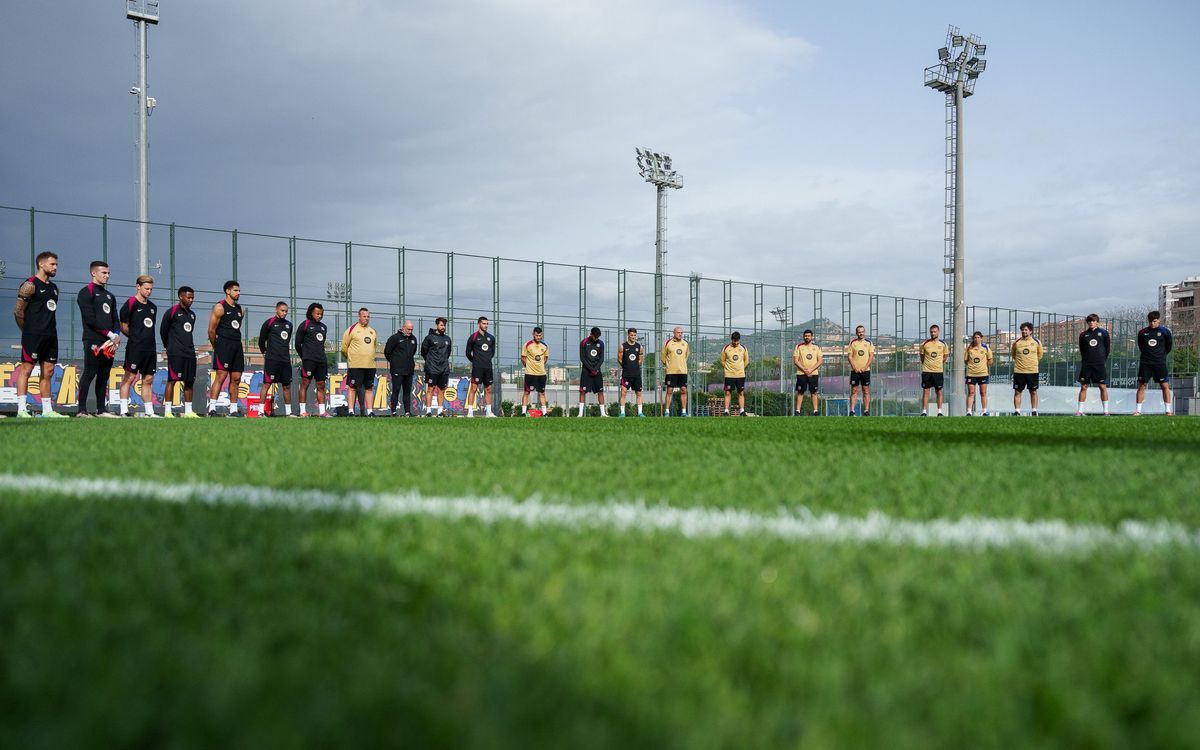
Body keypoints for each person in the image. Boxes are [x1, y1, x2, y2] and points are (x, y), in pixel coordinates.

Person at [13, 251, 67, 418]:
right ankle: (22, 409)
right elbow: (18, 311)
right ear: (41, 264)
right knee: (27, 370)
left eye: (56, 264)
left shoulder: (54, 288)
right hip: (33, 335)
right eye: (52, 264)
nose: (55, 267)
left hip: (51, 335)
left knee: (48, 372)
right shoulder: (30, 285)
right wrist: (28, 330)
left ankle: (47, 411)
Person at [76, 260, 121, 418]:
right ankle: (82, 410)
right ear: (93, 273)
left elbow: (115, 318)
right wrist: (110, 334)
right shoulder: (85, 292)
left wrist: (117, 335)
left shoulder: (110, 296)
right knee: (89, 372)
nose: (107, 276)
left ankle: (101, 410)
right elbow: (89, 319)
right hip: (93, 340)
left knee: (104, 374)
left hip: (109, 342)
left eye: (108, 273)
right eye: (104, 273)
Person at [118, 275, 160, 417]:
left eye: (151, 289)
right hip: (135, 348)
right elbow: (124, 326)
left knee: (148, 379)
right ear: (138, 286)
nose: (149, 291)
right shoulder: (130, 303)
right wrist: (136, 338)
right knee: (129, 378)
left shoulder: (153, 307)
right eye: (146, 288)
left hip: (150, 349)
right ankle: (124, 410)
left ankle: (150, 412)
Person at [207, 280, 246, 417]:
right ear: (228, 291)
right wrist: (216, 346)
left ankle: (233, 409)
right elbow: (211, 330)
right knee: (221, 376)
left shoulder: (240, 309)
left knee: (236, 378)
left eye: (239, 290)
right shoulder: (219, 307)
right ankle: (212, 409)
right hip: (223, 345)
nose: (238, 293)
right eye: (235, 290)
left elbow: (236, 328)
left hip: (236, 345)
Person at [160, 286, 200, 418]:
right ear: (181, 297)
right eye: (188, 297)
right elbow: (163, 331)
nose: (191, 300)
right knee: (172, 380)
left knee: (189, 382)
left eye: (192, 297)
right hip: (175, 352)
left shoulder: (192, 315)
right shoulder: (171, 312)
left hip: (189, 352)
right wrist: (170, 347)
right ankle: (167, 411)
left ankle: (188, 411)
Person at [258, 301, 297, 417]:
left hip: (285, 360)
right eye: (282, 310)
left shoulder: (289, 325)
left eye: (286, 311)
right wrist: (265, 353)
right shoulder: (269, 323)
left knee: (286, 385)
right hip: (272, 359)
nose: (284, 313)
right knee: (267, 384)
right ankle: (260, 412)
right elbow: (261, 341)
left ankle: (288, 412)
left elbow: (286, 340)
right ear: (276, 310)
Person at [341, 307, 379, 416]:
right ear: (359, 316)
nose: (366, 318)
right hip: (355, 365)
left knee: (369, 388)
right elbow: (344, 348)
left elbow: (374, 347)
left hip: (370, 365)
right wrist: (352, 358)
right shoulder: (351, 330)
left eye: (368, 316)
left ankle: (370, 411)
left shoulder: (372, 331)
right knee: (352, 388)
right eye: (364, 316)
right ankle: (351, 411)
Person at [1135, 310, 1173, 416]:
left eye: (1154, 321)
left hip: (1159, 363)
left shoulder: (1165, 332)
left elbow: (1169, 346)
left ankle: (1168, 411)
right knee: (1142, 385)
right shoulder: (1142, 332)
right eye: (1150, 321)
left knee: (1164, 385)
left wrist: (1161, 355)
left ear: (1159, 320)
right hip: (1146, 363)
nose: (1152, 323)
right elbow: (1141, 346)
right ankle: (1138, 411)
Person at [295, 303, 330, 417]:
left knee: (321, 385)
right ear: (311, 313)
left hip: (321, 361)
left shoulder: (323, 327)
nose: (319, 316)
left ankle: (322, 412)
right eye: (317, 313)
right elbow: (297, 344)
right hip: (309, 360)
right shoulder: (304, 325)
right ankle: (302, 411)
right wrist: (305, 357)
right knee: (305, 384)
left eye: (321, 314)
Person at [1076, 313, 1111, 416]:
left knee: (1102, 386)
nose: (1091, 323)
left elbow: (1107, 348)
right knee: (1084, 387)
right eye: (1089, 321)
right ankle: (1080, 411)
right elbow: (1082, 349)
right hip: (1087, 364)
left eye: (1093, 321)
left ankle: (1105, 411)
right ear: (1087, 323)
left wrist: (1101, 359)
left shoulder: (1104, 333)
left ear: (1097, 322)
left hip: (1099, 364)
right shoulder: (1083, 335)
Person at [464, 316, 498, 417]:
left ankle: (488, 412)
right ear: (479, 324)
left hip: (488, 367)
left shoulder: (491, 338)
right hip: (477, 368)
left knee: (488, 389)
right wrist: (475, 361)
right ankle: (470, 412)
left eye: (487, 324)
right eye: (484, 323)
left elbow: (492, 353)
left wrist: (485, 360)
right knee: (473, 389)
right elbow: (467, 353)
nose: (486, 325)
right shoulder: (473, 337)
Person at [384, 320, 418, 416]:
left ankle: (407, 412)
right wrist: (395, 362)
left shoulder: (413, 339)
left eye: (411, 329)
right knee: (396, 390)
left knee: (407, 391)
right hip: (397, 370)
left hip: (409, 369)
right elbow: (387, 352)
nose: (410, 331)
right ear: (403, 328)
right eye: (408, 329)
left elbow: (413, 352)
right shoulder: (394, 338)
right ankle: (393, 411)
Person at [420, 317, 452, 416]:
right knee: (430, 389)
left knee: (441, 390)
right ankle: (428, 411)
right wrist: (430, 361)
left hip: (444, 369)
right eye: (441, 325)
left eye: (444, 325)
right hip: (432, 368)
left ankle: (440, 411)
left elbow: (448, 353)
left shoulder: (447, 339)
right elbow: (423, 351)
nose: (443, 327)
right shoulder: (429, 338)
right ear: (437, 325)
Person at [1010, 321, 1043, 417]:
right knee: (1017, 392)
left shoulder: (1036, 342)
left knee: (1033, 391)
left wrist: (1031, 363)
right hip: (1019, 371)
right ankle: (1017, 411)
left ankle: (1034, 411)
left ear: (1031, 331)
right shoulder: (1017, 342)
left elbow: (1040, 355)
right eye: (1023, 330)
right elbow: (1013, 354)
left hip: (1032, 371)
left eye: (1026, 330)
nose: (1024, 331)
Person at [846, 325, 875, 417]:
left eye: (862, 331)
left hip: (865, 371)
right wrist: (854, 367)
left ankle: (866, 411)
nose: (861, 333)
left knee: (865, 390)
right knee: (854, 390)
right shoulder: (852, 343)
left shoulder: (869, 342)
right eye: (859, 332)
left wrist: (865, 367)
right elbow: (849, 356)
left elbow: (871, 356)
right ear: (856, 333)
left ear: (864, 332)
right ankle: (852, 411)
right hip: (855, 371)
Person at [520, 326, 550, 416]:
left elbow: (545, 358)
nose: (538, 337)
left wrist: (539, 366)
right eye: (537, 335)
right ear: (533, 334)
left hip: (541, 374)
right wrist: (528, 366)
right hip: (530, 373)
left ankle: (545, 413)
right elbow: (523, 358)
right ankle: (523, 412)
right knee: (526, 392)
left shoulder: (545, 346)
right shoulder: (527, 345)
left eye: (540, 335)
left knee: (542, 393)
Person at [920, 324, 949, 416]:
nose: (933, 333)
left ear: (938, 332)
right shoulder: (924, 344)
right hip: (927, 371)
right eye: (931, 332)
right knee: (926, 391)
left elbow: (945, 356)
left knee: (939, 391)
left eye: (934, 332)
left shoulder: (943, 344)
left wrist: (939, 363)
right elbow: (922, 357)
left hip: (938, 372)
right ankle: (924, 412)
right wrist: (927, 364)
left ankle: (939, 412)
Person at [578, 326, 607, 417]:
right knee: (583, 392)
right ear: (591, 334)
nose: (596, 338)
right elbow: (582, 358)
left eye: (598, 337)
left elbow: (601, 358)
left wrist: (596, 369)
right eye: (595, 337)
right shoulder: (584, 342)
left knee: (600, 391)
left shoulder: (601, 343)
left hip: (597, 371)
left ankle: (603, 413)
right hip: (586, 371)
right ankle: (580, 414)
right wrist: (591, 369)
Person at [661, 326, 690, 417]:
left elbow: (686, 356)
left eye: (681, 332)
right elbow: (663, 356)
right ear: (674, 333)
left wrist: (681, 364)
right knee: (669, 390)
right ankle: (667, 411)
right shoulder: (668, 343)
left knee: (684, 390)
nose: (680, 334)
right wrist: (668, 365)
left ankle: (684, 411)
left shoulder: (685, 343)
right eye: (678, 332)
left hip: (682, 371)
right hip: (671, 372)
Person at [793, 329, 823, 416]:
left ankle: (815, 411)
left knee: (814, 392)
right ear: (803, 337)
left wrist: (811, 370)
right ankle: (797, 411)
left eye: (809, 336)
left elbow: (820, 360)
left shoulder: (816, 347)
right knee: (800, 392)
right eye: (805, 336)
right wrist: (804, 369)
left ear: (812, 337)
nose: (807, 337)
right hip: (801, 373)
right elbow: (796, 360)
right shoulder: (799, 346)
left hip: (813, 374)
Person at [719, 331, 749, 416]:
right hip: (729, 375)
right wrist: (727, 368)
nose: (735, 342)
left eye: (737, 341)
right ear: (731, 339)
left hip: (740, 375)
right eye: (734, 340)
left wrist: (741, 368)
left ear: (739, 340)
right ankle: (726, 411)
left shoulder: (743, 348)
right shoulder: (726, 348)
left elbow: (746, 361)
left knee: (741, 392)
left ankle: (742, 411)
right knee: (728, 392)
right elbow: (722, 360)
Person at [964, 331, 993, 417]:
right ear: (973, 339)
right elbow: (966, 360)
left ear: (981, 338)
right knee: (971, 392)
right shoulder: (969, 348)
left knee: (983, 392)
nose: (976, 339)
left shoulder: (986, 348)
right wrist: (973, 367)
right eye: (975, 338)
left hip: (983, 373)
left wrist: (983, 366)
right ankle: (969, 412)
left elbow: (990, 360)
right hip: (971, 374)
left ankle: (984, 411)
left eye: (978, 338)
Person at [616, 327, 644, 417]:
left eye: (635, 335)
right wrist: (626, 366)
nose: (633, 337)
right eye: (631, 335)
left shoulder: (639, 347)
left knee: (638, 393)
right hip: (626, 374)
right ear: (628, 335)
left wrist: (635, 366)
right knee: (623, 392)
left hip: (636, 373)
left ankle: (640, 413)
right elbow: (619, 359)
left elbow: (640, 360)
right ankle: (623, 413)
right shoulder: (623, 346)